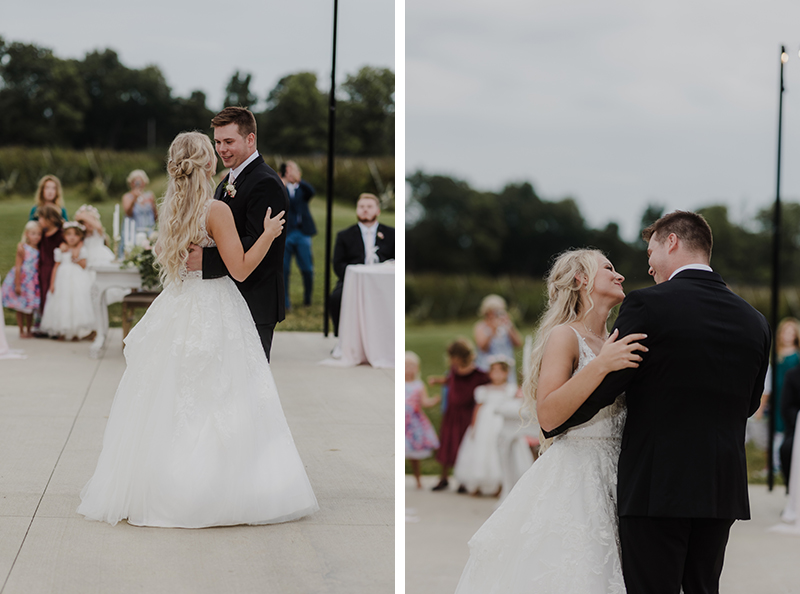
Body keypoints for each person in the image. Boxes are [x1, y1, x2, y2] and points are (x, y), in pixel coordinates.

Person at [77, 131, 317, 528]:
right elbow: (241, 268)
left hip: (178, 305)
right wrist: (269, 235)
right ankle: (213, 490)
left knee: (172, 395)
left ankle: (161, 486)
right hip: (215, 305)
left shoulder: (170, 208)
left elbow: (173, 258)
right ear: (207, 163)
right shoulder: (215, 209)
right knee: (221, 396)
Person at [544, 211, 771, 594]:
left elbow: (608, 386)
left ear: (672, 242)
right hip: (721, 488)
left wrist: (556, 421)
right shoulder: (755, 321)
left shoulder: (648, 305)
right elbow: (748, 405)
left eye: (650, 252)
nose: (648, 266)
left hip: (657, 487)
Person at [454, 248, 646, 594]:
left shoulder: (614, 340)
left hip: (621, 474)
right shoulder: (565, 336)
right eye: (608, 268)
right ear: (582, 279)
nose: (619, 275)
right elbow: (549, 414)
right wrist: (602, 365)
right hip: (576, 474)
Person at [185, 107, 289, 361]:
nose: (221, 149)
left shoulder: (265, 183)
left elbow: (255, 243)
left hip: (254, 300)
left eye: (229, 142)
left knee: (251, 379)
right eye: (218, 142)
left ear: (250, 139)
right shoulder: (227, 181)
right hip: (228, 299)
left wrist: (206, 260)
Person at [428, 338, 490, 492]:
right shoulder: (454, 371)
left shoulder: (478, 374)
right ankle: (443, 478)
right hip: (452, 414)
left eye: (454, 357)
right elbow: (449, 380)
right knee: (447, 444)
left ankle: (462, 480)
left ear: (463, 356)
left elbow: (488, 386)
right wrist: (437, 381)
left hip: (466, 415)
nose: (452, 360)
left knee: (462, 446)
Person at [329, 193, 395, 336]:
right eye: (361, 206)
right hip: (353, 280)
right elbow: (338, 264)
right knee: (336, 298)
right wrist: (355, 275)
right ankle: (342, 337)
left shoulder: (392, 234)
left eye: (369, 206)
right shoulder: (344, 235)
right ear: (357, 210)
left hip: (384, 281)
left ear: (378, 210)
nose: (365, 210)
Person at [453, 355, 519, 496]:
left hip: (500, 422)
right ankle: (476, 483)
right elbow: (478, 408)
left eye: (500, 371)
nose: (496, 374)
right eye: (493, 371)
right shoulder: (483, 390)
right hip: (484, 423)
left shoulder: (511, 389)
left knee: (496, 449)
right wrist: (474, 426)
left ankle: (499, 484)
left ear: (506, 373)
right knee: (480, 448)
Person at [759, 317, 800, 481]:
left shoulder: (796, 357)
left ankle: (782, 464)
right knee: (773, 430)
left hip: (790, 397)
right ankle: (771, 464)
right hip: (776, 398)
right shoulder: (776, 356)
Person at [39, 222, 95, 340]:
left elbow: (84, 265)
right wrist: (52, 284)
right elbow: (56, 266)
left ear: (80, 237)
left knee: (75, 303)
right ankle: (62, 332)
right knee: (62, 303)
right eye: (69, 234)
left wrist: (76, 254)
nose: (72, 237)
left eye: (75, 235)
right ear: (64, 236)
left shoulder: (82, 249)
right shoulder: (60, 250)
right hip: (62, 280)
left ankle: (75, 332)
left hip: (77, 280)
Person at [280, 160, 316, 309]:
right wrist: (281, 182)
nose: (290, 174)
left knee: (307, 268)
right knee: (284, 269)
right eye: (287, 171)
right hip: (286, 233)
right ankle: (285, 302)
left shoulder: (303, 189)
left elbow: (312, 192)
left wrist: (298, 180)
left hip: (303, 232)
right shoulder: (281, 187)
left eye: (292, 171)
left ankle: (307, 298)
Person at [405, 351, 441, 489]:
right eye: (406, 366)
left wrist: (434, 401)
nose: (409, 369)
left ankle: (418, 479)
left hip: (413, 424)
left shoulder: (419, 385)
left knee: (414, 454)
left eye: (412, 366)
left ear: (417, 368)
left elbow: (424, 402)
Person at [1, 221, 42, 338]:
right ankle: (21, 330)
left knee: (30, 307)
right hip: (24, 281)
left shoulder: (40, 248)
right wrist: (17, 284)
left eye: (39, 234)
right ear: (27, 234)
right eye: (33, 234)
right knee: (20, 306)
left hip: (33, 282)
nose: (36, 237)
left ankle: (29, 329)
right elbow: (18, 266)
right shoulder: (23, 248)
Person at [473, 295, 523, 382]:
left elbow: (519, 343)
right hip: (487, 368)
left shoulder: (505, 325)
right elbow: (483, 347)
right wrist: (493, 330)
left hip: (505, 367)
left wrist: (509, 326)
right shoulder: (480, 326)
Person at [33, 203, 65, 336]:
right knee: (42, 296)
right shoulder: (42, 234)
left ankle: (55, 326)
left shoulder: (60, 234)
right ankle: (43, 326)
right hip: (43, 269)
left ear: (50, 219)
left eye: (41, 218)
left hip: (55, 269)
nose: (39, 221)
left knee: (52, 296)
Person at [122, 170, 158, 239]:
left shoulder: (150, 195)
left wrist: (153, 205)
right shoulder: (127, 197)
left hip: (150, 231)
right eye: (135, 182)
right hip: (133, 232)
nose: (138, 184)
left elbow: (156, 216)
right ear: (131, 183)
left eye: (141, 181)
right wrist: (134, 199)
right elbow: (128, 213)